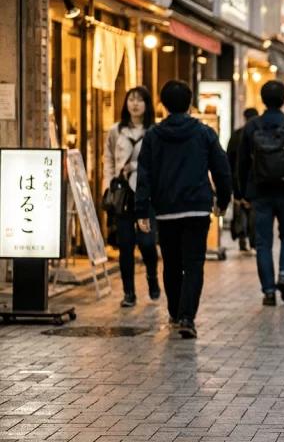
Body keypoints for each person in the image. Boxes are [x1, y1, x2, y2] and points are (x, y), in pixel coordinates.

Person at [135, 80, 232, 339]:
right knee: (194, 264)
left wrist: (141, 210)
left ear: (163, 105)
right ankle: (188, 317)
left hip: (166, 210)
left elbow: (144, 175)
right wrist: (223, 201)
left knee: (171, 263)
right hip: (197, 209)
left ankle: (175, 313)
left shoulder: (154, 135)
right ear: (190, 103)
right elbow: (221, 169)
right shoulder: (204, 133)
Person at [237, 81, 284, 306]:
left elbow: (242, 161)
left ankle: (269, 291)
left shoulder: (253, 125)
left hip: (260, 190)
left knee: (263, 242)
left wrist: (241, 191)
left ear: (262, 100)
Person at [103, 87, 159, 308]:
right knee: (125, 244)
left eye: (140, 100)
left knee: (146, 242)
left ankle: (152, 278)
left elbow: (157, 161)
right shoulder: (116, 130)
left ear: (147, 104)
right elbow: (107, 158)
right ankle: (129, 293)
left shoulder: (155, 131)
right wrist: (108, 185)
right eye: (131, 100)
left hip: (147, 194)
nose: (135, 104)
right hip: (123, 193)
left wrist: (134, 165)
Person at [227, 108, 259, 253]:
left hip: (237, 178)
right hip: (256, 180)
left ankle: (242, 239)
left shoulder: (237, 134)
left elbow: (229, 158)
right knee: (253, 211)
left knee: (240, 210)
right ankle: (254, 242)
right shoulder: (260, 134)